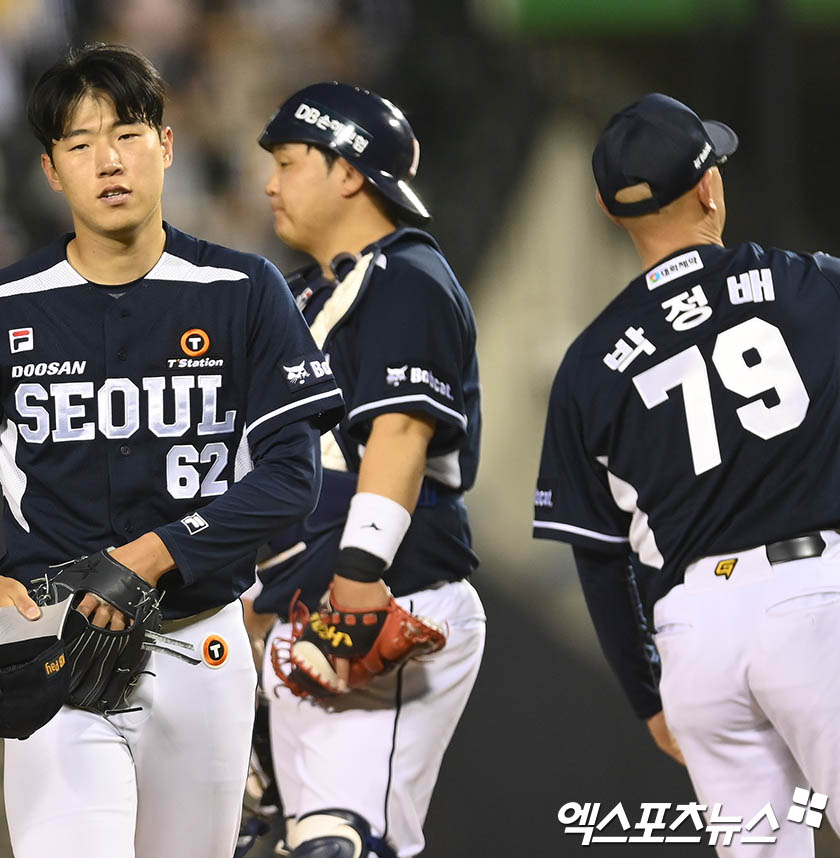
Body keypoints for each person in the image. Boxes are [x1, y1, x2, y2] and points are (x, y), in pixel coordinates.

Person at [0, 43, 344, 858]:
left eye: (129, 133)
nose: (109, 160)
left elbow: (292, 478)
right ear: (50, 171)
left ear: (167, 147)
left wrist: (151, 554)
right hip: (57, 648)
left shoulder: (243, 291)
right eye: (79, 143)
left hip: (202, 646)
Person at [533, 92, 840, 856]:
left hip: (694, 643)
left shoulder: (586, 369)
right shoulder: (814, 286)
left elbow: (599, 559)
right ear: (710, 187)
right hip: (815, 604)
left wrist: (650, 698)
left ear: (611, 211)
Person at [243, 82, 487, 858]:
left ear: (348, 171)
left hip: (378, 598)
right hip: (299, 614)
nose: (271, 183)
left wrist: (356, 578)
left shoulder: (404, 275)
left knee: (341, 843)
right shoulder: (303, 292)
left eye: (288, 162)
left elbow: (402, 432)